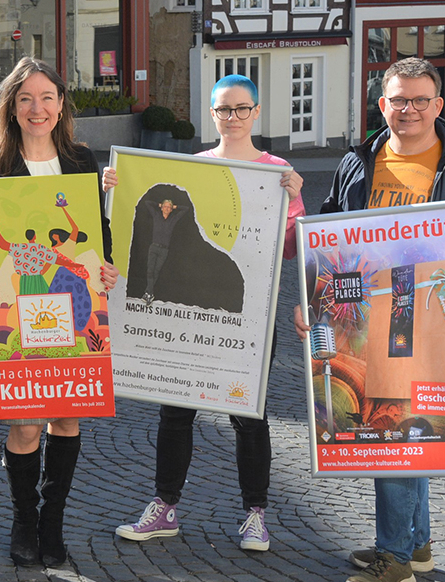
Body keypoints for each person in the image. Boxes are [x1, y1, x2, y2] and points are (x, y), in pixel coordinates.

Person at [294, 57, 445, 582]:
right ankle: (414, 540)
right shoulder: (357, 161)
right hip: (377, 309)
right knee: (392, 415)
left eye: (419, 100)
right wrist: (314, 299)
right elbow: (329, 234)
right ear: (382, 104)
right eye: (397, 100)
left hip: (432, 313)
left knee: (396, 426)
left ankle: (393, 561)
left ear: (439, 106)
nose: (407, 110)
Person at [105, 74, 304, 552]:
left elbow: (293, 250)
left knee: (249, 414)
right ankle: (165, 505)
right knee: (175, 410)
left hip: (246, 319)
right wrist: (113, 188)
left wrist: (295, 198)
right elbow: (130, 227)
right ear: (210, 114)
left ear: (256, 112)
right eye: (222, 110)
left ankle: (256, 513)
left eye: (240, 109)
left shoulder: (277, 170)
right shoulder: (190, 168)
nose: (231, 118)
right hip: (180, 317)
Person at [0, 56, 118, 567]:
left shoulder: (80, 162)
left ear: (61, 103)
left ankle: (53, 522)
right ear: (11, 107)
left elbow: (95, 238)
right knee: (26, 422)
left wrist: (107, 265)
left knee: (66, 419)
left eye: (47, 97)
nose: (37, 108)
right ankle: (24, 518)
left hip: (71, 306)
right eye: (25, 98)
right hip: (19, 313)